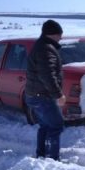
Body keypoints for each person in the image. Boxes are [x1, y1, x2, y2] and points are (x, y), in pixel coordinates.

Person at [25, 20, 66, 160]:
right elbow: (47, 75)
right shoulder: (45, 49)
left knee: (45, 126)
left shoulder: (42, 46)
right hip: (42, 96)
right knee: (56, 125)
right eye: (60, 34)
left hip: (35, 95)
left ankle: (42, 155)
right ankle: (52, 159)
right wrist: (59, 95)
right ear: (53, 34)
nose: (61, 37)